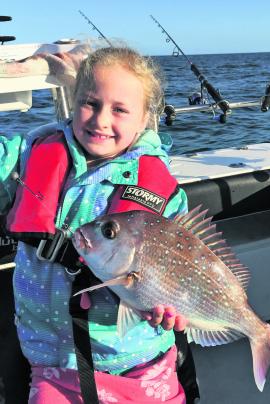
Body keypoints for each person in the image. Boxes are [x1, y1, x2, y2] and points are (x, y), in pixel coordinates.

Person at [0, 45, 199, 403]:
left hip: (138, 359)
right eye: (90, 103)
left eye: (120, 110)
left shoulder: (160, 189)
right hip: (51, 360)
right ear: (73, 102)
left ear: (143, 120)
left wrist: (174, 307)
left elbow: (187, 259)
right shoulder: (29, 155)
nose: (100, 120)